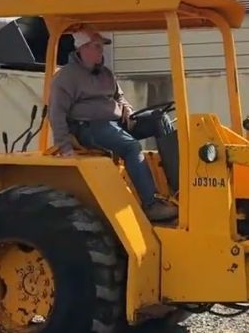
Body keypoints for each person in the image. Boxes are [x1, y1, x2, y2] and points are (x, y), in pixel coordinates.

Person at [48, 27, 179, 223]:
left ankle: (179, 188)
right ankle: (151, 205)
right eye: (97, 47)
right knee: (131, 147)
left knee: (160, 119)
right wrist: (65, 146)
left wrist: (127, 110)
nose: (102, 51)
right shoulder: (66, 77)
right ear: (82, 48)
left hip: (116, 123)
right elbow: (56, 112)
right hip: (89, 127)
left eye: (102, 47)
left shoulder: (105, 74)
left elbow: (120, 97)